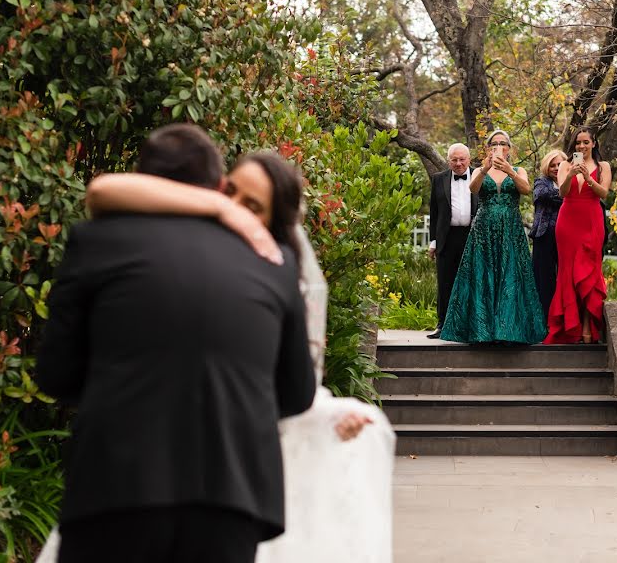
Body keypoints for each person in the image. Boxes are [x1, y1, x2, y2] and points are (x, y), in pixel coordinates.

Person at [37, 149, 396, 563]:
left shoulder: (114, 243)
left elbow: (293, 389)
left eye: (252, 206)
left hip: (139, 485)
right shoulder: (270, 268)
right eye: (230, 192)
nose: (234, 209)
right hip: (225, 497)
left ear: (271, 223)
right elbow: (285, 393)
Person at [440, 130, 548, 344]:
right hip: (484, 229)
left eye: (502, 144)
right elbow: (473, 189)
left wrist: (510, 171)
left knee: (510, 274)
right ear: (488, 148)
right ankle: (482, 330)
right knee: (483, 273)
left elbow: (526, 189)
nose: (499, 147)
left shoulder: (518, 169)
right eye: (494, 144)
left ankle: (508, 331)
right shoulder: (480, 169)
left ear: (509, 148)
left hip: (510, 229)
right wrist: (485, 169)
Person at [545, 126, 611, 345]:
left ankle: (586, 327)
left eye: (585, 142)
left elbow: (604, 194)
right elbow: (562, 193)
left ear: (594, 143)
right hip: (568, 222)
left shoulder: (603, 166)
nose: (581, 146)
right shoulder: (565, 164)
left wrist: (588, 178)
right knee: (568, 272)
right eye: (578, 143)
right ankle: (568, 327)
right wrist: (571, 174)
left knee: (590, 273)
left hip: (592, 221)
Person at [426, 143, 478, 339]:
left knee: (472, 281)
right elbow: (434, 212)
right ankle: (442, 325)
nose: (458, 163)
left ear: (469, 159)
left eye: (462, 159)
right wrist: (433, 242)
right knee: (445, 282)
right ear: (448, 161)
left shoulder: (480, 175)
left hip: (472, 237)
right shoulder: (439, 179)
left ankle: (471, 325)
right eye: (454, 160)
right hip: (446, 238)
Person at [529, 149, 566, 320]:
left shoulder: (572, 181)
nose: (557, 168)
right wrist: (564, 194)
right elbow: (540, 195)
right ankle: (542, 319)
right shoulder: (541, 181)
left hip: (566, 236)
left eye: (560, 164)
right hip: (543, 235)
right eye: (553, 165)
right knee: (542, 278)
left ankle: (560, 319)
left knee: (563, 278)